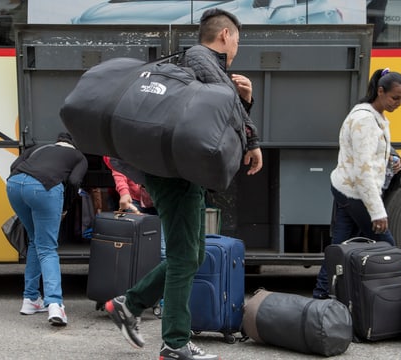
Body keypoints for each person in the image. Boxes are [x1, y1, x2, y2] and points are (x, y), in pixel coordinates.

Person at [104, 8, 262, 360]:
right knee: (183, 257)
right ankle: (174, 343)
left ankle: (129, 304)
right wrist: (252, 140)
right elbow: (229, 112)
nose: (238, 46)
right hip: (176, 175)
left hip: (179, 171)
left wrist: (245, 100)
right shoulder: (202, 58)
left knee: (192, 254)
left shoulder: (200, 63)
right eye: (237, 38)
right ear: (224, 35)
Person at [312, 68, 401, 299]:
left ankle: (320, 295)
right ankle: (398, 300)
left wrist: (392, 160)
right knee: (387, 246)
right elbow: (363, 169)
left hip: (349, 189)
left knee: (340, 247)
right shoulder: (365, 120)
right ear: (380, 91)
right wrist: (377, 212)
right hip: (356, 193)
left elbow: (371, 155)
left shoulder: (376, 116)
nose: (399, 103)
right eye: (395, 98)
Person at [6, 132, 88, 326]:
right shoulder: (79, 157)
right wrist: (65, 207)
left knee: (36, 240)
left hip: (14, 186)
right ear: (75, 145)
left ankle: (31, 299)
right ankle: (55, 304)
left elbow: (13, 166)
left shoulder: (38, 148)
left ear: (58, 141)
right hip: (44, 188)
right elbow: (75, 181)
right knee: (48, 248)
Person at [103, 155, 166, 260]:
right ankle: (138, 272)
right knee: (134, 245)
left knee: (163, 247)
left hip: (161, 198)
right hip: (135, 198)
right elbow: (119, 170)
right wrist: (124, 192)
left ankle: (161, 273)